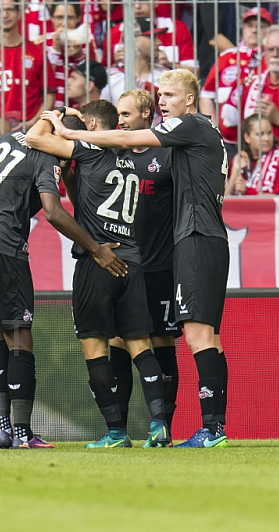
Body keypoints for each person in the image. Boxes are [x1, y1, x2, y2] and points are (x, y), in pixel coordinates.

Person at [47, 69, 230, 448]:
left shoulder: (190, 127)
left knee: (192, 336)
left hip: (193, 239)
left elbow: (125, 137)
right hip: (192, 241)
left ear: (190, 100)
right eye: (159, 94)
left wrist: (72, 133)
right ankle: (203, 427)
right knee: (199, 336)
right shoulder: (202, 132)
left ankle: (209, 429)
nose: (162, 101)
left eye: (169, 95)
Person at [0, 125, 126, 450]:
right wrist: (95, 248)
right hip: (3, 247)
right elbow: (53, 211)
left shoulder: (5, 139)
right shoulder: (46, 156)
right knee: (20, 335)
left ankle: (3, 429)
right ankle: (22, 433)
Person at [27, 101, 171, 448]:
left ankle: (116, 433)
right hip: (132, 259)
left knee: (95, 348)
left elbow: (33, 139)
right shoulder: (133, 160)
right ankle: (159, 425)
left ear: (91, 124)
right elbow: (84, 197)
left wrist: (53, 118)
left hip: (98, 260)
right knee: (140, 345)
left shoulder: (89, 148)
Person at [107, 90, 180, 433]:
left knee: (163, 341)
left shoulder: (167, 154)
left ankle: (163, 424)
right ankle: (117, 430)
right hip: (124, 266)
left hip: (161, 265)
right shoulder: (113, 155)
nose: (119, 121)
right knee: (118, 341)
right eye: (118, 115)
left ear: (146, 114)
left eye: (126, 114)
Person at [0, 0, 58, 135]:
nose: (4, 15)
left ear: (19, 14)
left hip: (30, 131)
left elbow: (49, 93)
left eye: (9, 9)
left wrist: (34, 122)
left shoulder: (37, 53)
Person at [199, 7, 272, 150]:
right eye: (250, 26)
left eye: (260, 26)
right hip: (227, 142)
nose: (254, 30)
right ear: (242, 28)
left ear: (270, 30)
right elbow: (206, 96)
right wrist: (214, 131)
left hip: (264, 142)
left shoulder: (273, 59)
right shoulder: (227, 57)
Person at [226, 114, 279, 196]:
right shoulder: (238, 160)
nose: (267, 139)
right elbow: (223, 200)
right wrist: (235, 172)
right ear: (247, 138)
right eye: (260, 134)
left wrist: (248, 191)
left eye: (269, 133)